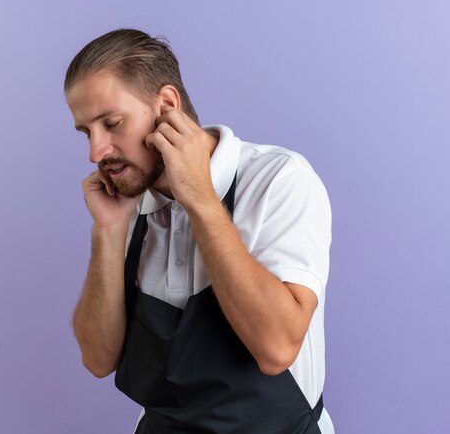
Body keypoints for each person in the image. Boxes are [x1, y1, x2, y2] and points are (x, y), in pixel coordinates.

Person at [65, 28, 334, 433]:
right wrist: (107, 232)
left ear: (167, 105)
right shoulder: (129, 206)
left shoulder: (278, 179)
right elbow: (98, 359)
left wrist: (199, 199)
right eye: (87, 132)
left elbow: (277, 349)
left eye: (112, 123)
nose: (96, 152)